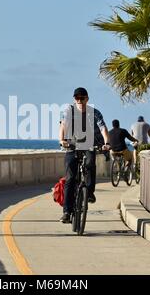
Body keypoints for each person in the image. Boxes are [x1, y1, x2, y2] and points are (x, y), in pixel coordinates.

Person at [58, 87, 111, 224]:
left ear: (87, 99)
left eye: (82, 98)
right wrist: (62, 140)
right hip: (72, 146)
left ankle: (89, 192)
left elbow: (103, 127)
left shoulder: (94, 113)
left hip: (89, 145)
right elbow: (63, 126)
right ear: (74, 99)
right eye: (77, 98)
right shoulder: (69, 112)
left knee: (90, 165)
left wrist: (107, 142)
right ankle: (67, 212)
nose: (80, 100)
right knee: (70, 179)